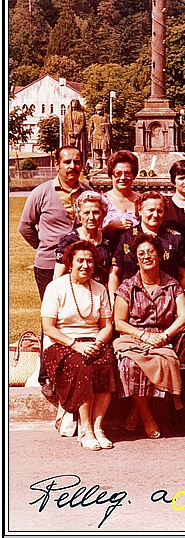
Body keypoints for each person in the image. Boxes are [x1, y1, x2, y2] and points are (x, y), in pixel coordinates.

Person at [18, 145, 92, 398]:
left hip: (82, 267)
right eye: (67, 161)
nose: (72, 166)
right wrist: (44, 247)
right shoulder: (42, 193)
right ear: (57, 163)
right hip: (49, 265)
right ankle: (46, 375)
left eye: (77, 161)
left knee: (79, 317)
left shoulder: (88, 193)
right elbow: (25, 226)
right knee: (51, 318)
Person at [41, 241, 116, 450]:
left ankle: (99, 428)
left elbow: (107, 325)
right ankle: (86, 430)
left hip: (93, 342)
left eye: (90, 261)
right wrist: (76, 345)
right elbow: (48, 327)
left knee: (108, 362)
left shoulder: (100, 289)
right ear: (70, 263)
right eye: (80, 260)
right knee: (83, 366)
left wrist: (98, 343)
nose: (85, 265)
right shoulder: (56, 287)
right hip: (62, 343)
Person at [113, 234, 185, 439]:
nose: (147, 256)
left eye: (151, 252)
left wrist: (164, 336)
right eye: (141, 254)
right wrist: (142, 335)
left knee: (164, 362)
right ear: (136, 259)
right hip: (134, 337)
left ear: (160, 256)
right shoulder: (127, 286)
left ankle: (138, 409)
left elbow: (184, 316)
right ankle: (146, 415)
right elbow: (119, 322)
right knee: (129, 364)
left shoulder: (172, 285)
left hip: (164, 338)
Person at [108, 191, 185, 300]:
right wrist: (114, 302)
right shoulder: (125, 236)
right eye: (150, 210)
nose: (155, 215)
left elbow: (182, 275)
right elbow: (114, 273)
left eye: (159, 211)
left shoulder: (175, 238)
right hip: (130, 298)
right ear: (139, 210)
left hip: (166, 300)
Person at [54, 192, 114, 287]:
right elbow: (58, 277)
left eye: (95, 212)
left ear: (103, 214)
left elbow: (112, 276)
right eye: (86, 213)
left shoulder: (109, 241)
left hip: (101, 295)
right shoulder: (69, 241)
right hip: (75, 295)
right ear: (79, 215)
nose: (91, 217)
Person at [101, 150, 140, 235]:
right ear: (111, 175)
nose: (123, 177)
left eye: (127, 173)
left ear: (134, 175)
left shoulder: (142, 201)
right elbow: (92, 234)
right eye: (118, 173)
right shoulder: (101, 202)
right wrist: (111, 227)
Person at [62, 99, 88, 164]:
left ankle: (81, 161)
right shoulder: (68, 114)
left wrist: (78, 132)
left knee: (79, 147)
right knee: (70, 147)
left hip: (78, 132)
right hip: (69, 132)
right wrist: (69, 132)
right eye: (73, 103)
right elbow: (65, 125)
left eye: (76, 103)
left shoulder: (81, 113)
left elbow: (83, 123)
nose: (74, 105)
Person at [88, 103, 112, 171]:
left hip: (104, 135)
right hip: (96, 135)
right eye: (98, 110)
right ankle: (98, 164)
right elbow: (90, 127)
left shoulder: (105, 117)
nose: (100, 111)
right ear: (96, 110)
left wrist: (105, 125)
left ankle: (105, 163)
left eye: (101, 110)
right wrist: (89, 135)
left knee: (104, 149)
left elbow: (110, 125)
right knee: (97, 150)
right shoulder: (93, 117)